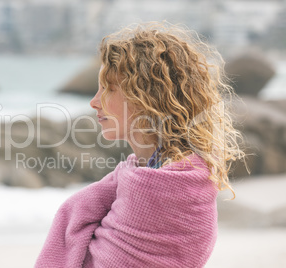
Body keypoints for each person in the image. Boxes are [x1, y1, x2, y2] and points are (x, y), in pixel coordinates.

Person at [35, 21, 246, 268]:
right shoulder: (141, 176)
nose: (94, 102)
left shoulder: (177, 186)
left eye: (108, 89)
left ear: (146, 97)